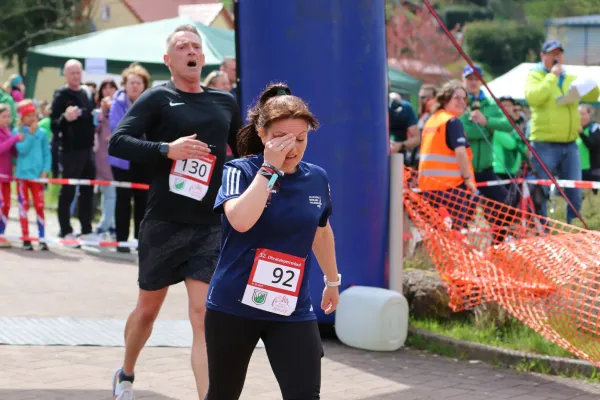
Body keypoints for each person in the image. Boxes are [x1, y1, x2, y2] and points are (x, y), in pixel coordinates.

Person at [107, 24, 241, 400]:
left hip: (208, 224)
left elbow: (244, 151)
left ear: (203, 56)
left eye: (195, 45)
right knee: (148, 311)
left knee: (202, 316)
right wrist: (167, 149)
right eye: (182, 46)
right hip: (164, 221)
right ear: (169, 60)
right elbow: (118, 142)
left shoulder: (223, 102)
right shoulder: (156, 98)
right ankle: (126, 372)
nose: (190, 50)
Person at [204, 83, 341, 400]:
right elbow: (240, 220)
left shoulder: (316, 177)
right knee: (223, 394)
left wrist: (332, 280)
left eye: (301, 139)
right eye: (282, 139)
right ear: (262, 134)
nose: (292, 149)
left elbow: (321, 230)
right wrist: (269, 169)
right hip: (233, 306)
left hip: (291, 308)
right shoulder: (240, 171)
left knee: (305, 394)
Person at [524, 40, 600, 223]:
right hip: (544, 144)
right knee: (541, 190)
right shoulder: (534, 75)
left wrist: (589, 84)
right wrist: (551, 77)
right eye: (552, 54)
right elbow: (534, 98)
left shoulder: (569, 77)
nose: (556, 57)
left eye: (559, 53)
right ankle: (541, 228)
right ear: (543, 56)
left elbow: (593, 95)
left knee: (574, 190)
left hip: (570, 144)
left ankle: (573, 229)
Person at [418, 80, 477, 230]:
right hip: (451, 190)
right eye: (457, 98)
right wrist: (468, 178)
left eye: (464, 99)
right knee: (454, 236)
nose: (461, 102)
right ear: (445, 99)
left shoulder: (432, 120)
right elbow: (460, 152)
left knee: (437, 236)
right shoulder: (452, 121)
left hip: (428, 189)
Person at [50, 59, 97, 240]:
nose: (76, 76)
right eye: (72, 73)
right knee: (68, 191)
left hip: (88, 149)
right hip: (70, 151)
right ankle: (65, 229)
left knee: (88, 191)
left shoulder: (86, 92)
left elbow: (91, 115)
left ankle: (86, 229)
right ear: (65, 74)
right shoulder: (61, 94)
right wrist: (65, 118)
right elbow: (54, 124)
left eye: (78, 72)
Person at [108, 64, 152, 252]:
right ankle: (121, 241)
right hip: (123, 160)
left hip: (144, 158)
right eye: (131, 82)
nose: (135, 86)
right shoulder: (117, 103)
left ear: (144, 85)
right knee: (123, 199)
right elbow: (116, 129)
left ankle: (140, 240)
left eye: (139, 82)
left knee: (143, 199)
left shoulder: (151, 102)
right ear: (125, 84)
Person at [14, 100, 51, 251]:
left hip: (37, 177)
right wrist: (29, 134)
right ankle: (26, 238)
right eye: (28, 116)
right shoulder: (19, 133)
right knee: (23, 207)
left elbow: (47, 153)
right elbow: (21, 150)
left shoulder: (42, 133)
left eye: (33, 115)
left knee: (40, 206)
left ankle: (42, 238)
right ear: (22, 118)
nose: (32, 119)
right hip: (23, 176)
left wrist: (45, 170)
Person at [93, 78, 119, 238]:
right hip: (100, 156)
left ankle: (107, 224)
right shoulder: (97, 111)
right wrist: (102, 112)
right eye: (105, 88)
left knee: (111, 192)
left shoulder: (121, 108)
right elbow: (94, 128)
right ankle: (109, 224)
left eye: (112, 87)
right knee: (107, 191)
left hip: (116, 156)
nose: (108, 91)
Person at [0, 104, 23, 248]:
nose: (8, 119)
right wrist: (14, 139)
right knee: (2, 204)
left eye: (9, 116)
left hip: (8, 176)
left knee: (7, 205)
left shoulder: (8, 131)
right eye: (4, 116)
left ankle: (2, 233)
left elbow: (12, 152)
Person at [577, 104, 600, 195]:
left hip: (592, 171)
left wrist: (582, 134)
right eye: (578, 114)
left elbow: (596, 146)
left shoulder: (595, 128)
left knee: (593, 199)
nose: (581, 117)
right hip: (576, 170)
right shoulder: (571, 129)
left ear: (589, 115)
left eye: (583, 114)